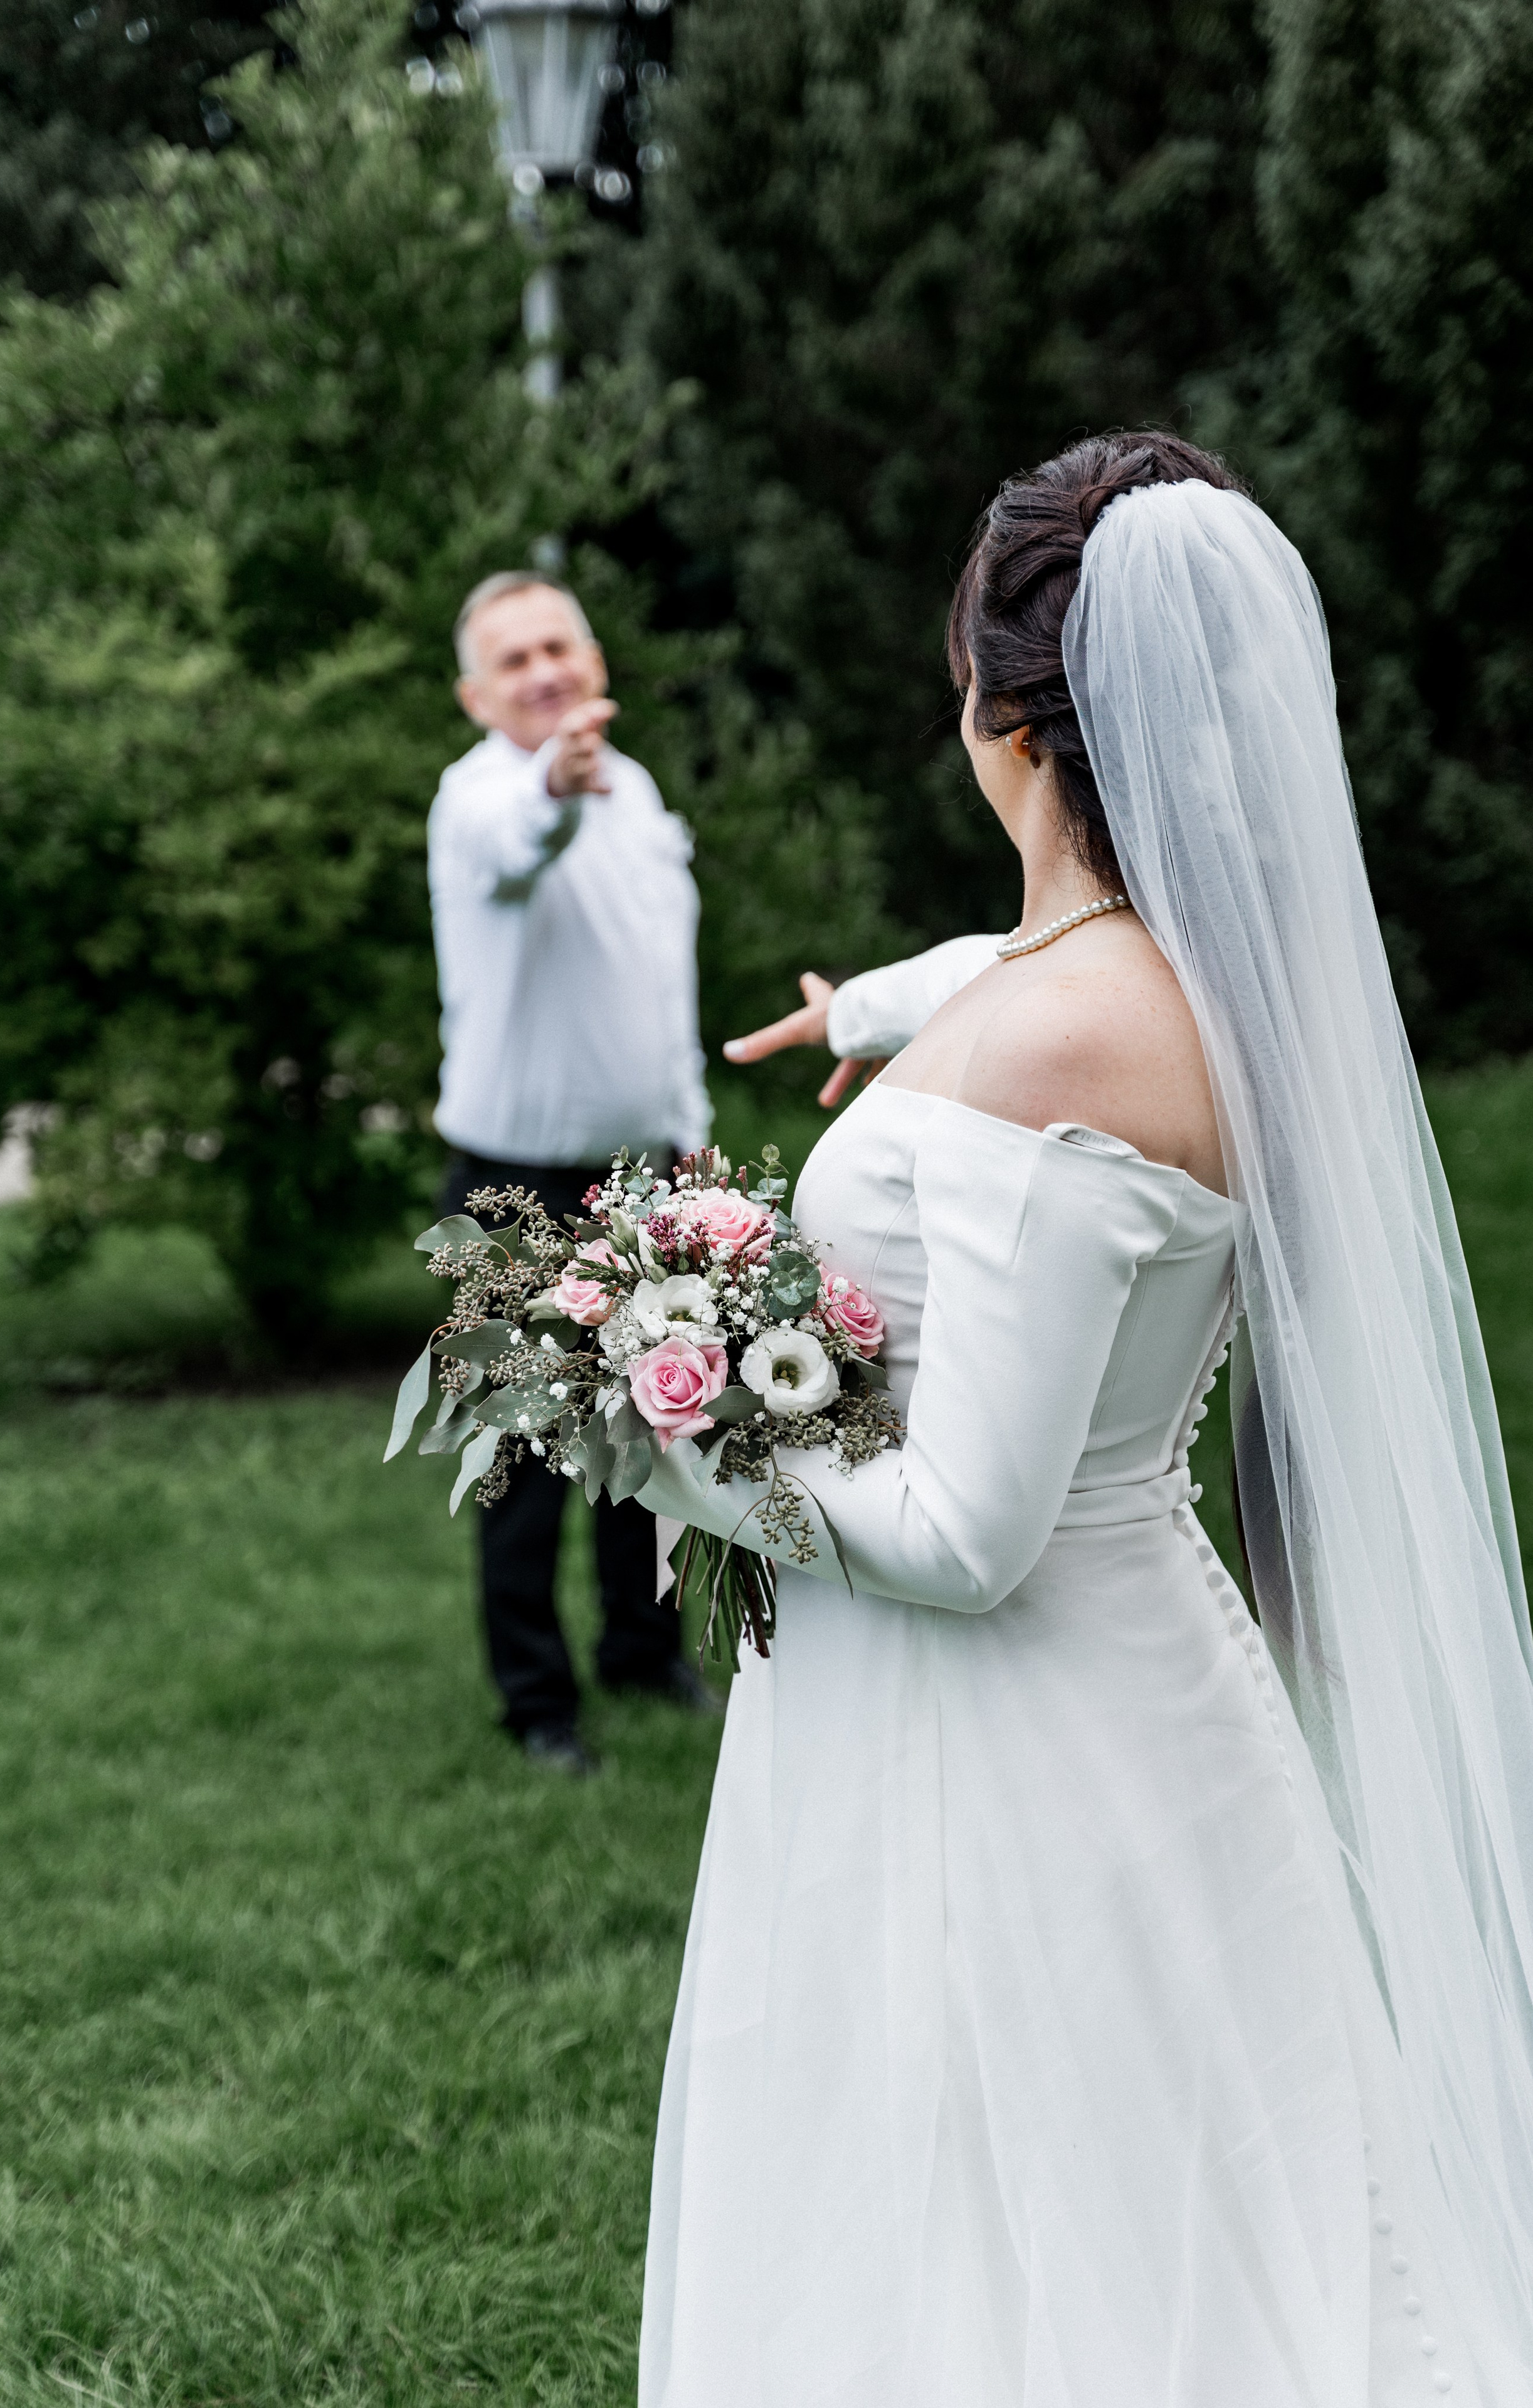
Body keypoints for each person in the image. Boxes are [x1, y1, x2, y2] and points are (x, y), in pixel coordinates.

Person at [634, 435, 1533, 2402]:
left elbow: (972, 1534)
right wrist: (874, 1007)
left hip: (1026, 1725)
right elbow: (1011, 976)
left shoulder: (1062, 1046)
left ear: (1011, 718)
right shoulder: (1180, 978)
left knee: (1035, 2221)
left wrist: (676, 1437)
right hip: (1119, 1694)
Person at [428, 571, 715, 1775]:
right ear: (474, 695)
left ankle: (644, 1654)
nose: (544, 671)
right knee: (522, 1454)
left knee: (650, 1423)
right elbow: (519, 844)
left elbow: (658, 983)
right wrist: (555, 783)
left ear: (594, 661)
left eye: (560, 646)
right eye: (515, 659)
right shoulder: (481, 798)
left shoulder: (634, 787)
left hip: (641, 1172)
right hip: (512, 1185)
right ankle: (537, 1703)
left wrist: (689, 1131)